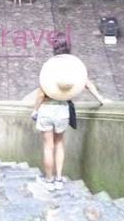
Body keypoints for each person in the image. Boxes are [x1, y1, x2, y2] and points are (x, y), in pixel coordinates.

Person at [31, 54, 106, 191]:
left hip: (47, 110)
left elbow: (41, 94)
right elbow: (87, 83)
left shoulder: (51, 69)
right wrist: (101, 99)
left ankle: (49, 180)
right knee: (59, 143)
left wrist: (35, 110)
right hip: (63, 110)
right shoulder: (72, 70)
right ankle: (59, 179)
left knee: (48, 146)